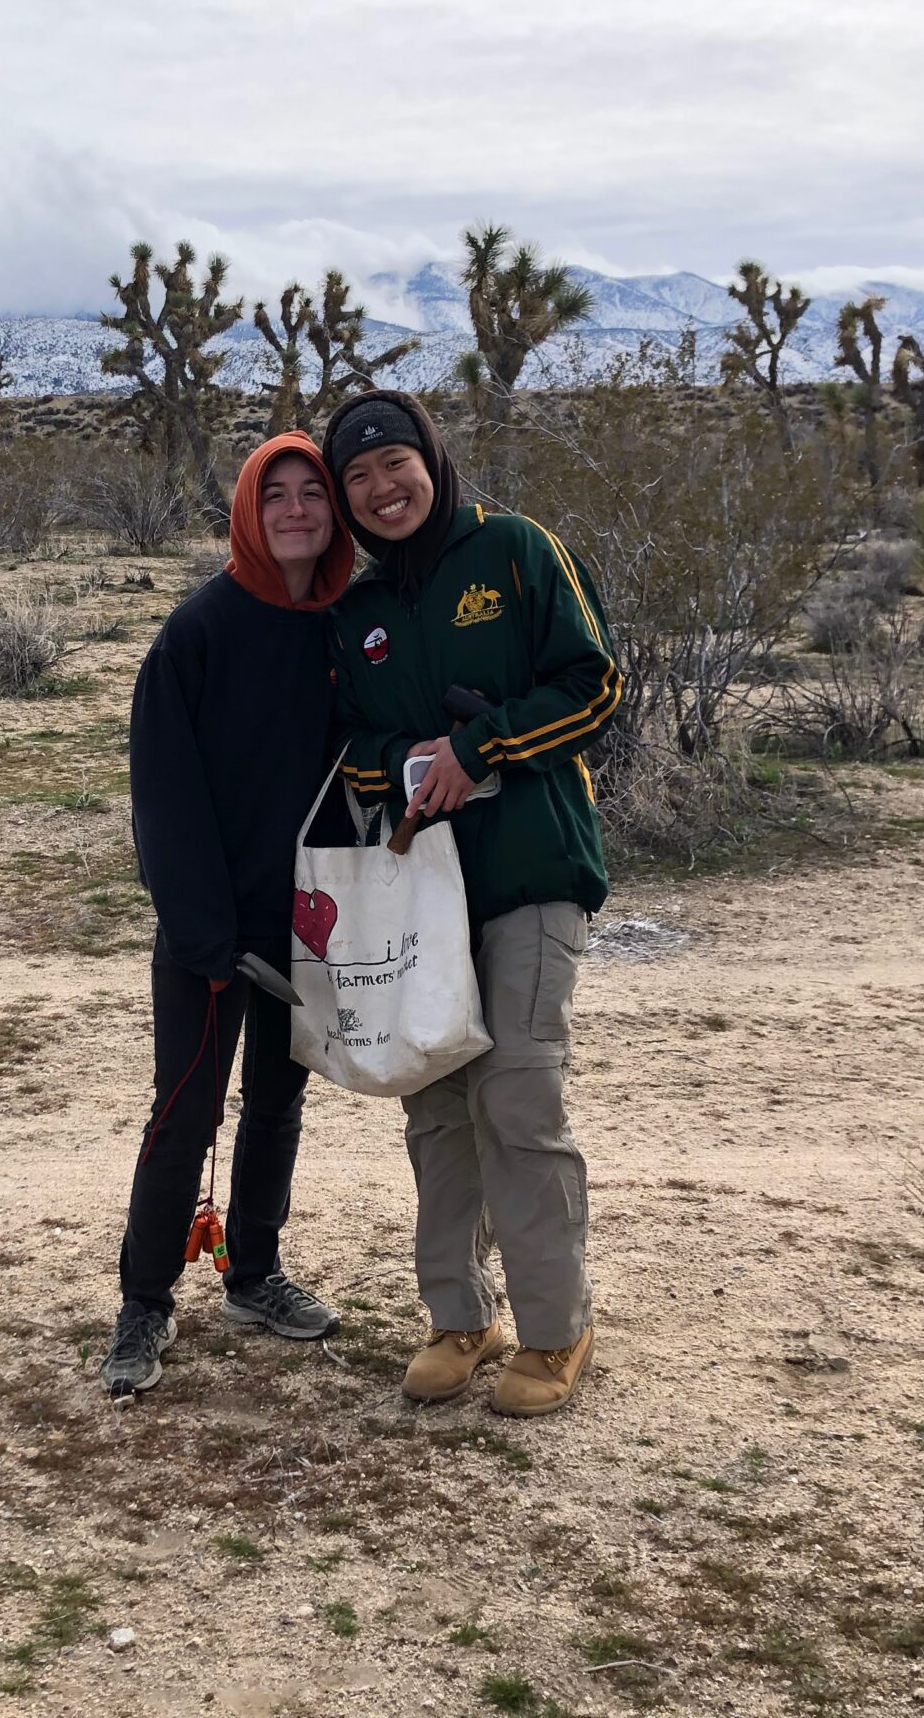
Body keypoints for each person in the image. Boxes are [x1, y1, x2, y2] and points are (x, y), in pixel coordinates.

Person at [321, 389, 621, 1418]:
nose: (379, 488)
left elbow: (594, 686)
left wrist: (480, 747)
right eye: (356, 476)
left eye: (393, 463)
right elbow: (345, 750)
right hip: (419, 894)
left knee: (516, 1095)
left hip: (532, 868)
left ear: (430, 460)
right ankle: (459, 1317)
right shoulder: (354, 614)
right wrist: (390, 763)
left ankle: (555, 1328)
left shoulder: (514, 551)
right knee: (436, 1103)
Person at [102, 431, 358, 1398]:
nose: (295, 510)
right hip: (210, 932)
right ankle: (144, 1303)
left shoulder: (347, 629)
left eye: (312, 495)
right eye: (275, 494)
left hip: (310, 924)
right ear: (248, 511)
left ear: (334, 513)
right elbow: (164, 795)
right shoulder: (198, 631)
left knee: (280, 1104)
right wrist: (203, 934)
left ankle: (254, 1276)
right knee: (185, 1113)